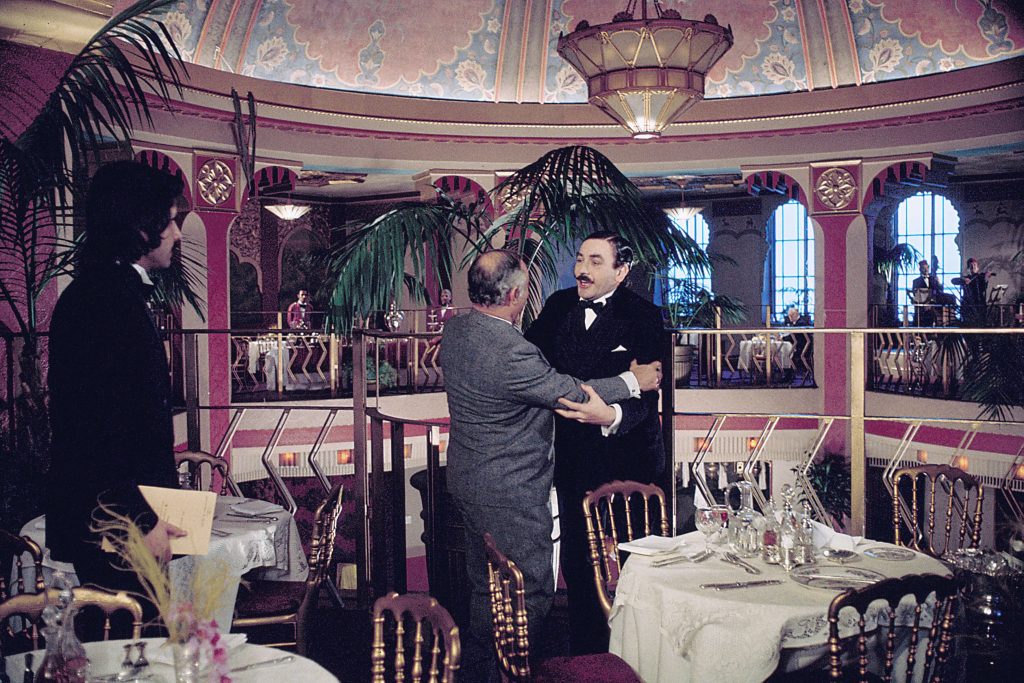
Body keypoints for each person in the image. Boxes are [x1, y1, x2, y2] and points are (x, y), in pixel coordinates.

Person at [439, 249, 662, 681]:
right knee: (527, 593)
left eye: (595, 261)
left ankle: (484, 672)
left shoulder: (458, 329)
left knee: (487, 590)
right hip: (509, 492)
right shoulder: (509, 349)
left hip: (469, 481)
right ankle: (509, 674)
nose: (582, 270)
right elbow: (567, 392)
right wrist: (633, 380)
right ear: (516, 295)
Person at [46, 160, 187, 597]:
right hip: (115, 523)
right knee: (134, 635)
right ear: (141, 228)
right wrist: (142, 521)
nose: (177, 234)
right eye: (170, 221)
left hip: (114, 515)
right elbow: (99, 429)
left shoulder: (102, 291)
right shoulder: (108, 302)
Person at [523, 232, 665, 654]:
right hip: (572, 457)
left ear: (621, 272)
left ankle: (636, 656)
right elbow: (531, 372)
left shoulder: (644, 316)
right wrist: (619, 384)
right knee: (579, 563)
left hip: (629, 460)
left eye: (596, 261)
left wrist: (611, 415)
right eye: (580, 259)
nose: (581, 270)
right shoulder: (558, 306)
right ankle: (587, 656)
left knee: (634, 562)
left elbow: (649, 395)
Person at [953, 257, 995, 324]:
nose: (973, 267)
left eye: (975, 265)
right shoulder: (967, 278)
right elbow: (953, 281)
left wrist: (986, 279)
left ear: (978, 268)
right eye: (971, 266)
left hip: (980, 304)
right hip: (969, 305)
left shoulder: (980, 277)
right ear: (968, 268)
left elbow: (983, 288)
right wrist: (964, 280)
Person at [911, 260, 951, 326]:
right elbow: (916, 294)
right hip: (922, 308)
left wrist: (939, 283)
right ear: (920, 269)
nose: (926, 270)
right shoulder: (916, 281)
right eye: (924, 268)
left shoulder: (934, 279)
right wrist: (925, 303)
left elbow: (939, 291)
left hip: (934, 307)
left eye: (927, 268)